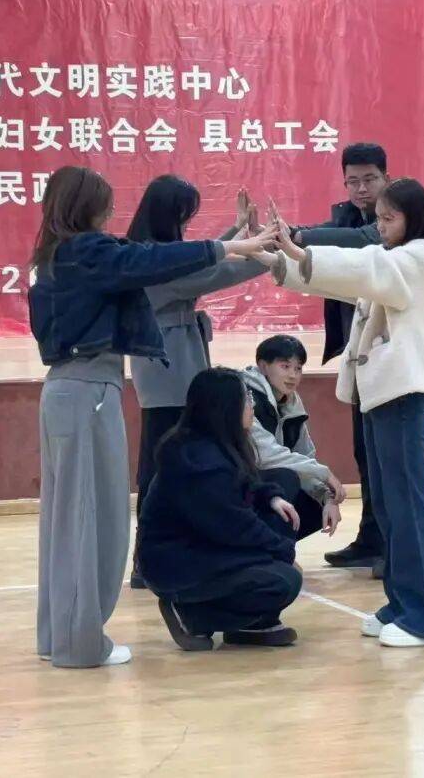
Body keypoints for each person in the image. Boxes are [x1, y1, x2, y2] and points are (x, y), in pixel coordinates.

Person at [27, 166, 277, 668]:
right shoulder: (88, 252)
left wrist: (232, 239)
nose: (110, 212)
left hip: (69, 391)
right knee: (92, 519)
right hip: (88, 393)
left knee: (67, 519)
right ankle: (80, 646)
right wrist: (234, 246)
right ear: (86, 207)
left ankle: (61, 635)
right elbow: (155, 259)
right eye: (104, 203)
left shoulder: (60, 256)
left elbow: (153, 258)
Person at [258, 177, 424, 647]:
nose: (381, 226)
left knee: (408, 506)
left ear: (415, 218)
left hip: (403, 397)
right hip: (382, 394)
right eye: (379, 219)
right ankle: (403, 604)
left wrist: (298, 248)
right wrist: (276, 259)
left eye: (390, 218)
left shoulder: (420, 256)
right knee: (389, 506)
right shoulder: (398, 260)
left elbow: (365, 265)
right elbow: (354, 282)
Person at [126, 175, 268, 589]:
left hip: (171, 368)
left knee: (162, 465)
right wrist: (269, 253)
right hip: (168, 375)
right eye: (184, 215)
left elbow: (198, 261)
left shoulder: (149, 253)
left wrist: (238, 232)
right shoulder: (155, 261)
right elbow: (213, 273)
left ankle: (155, 556)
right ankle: (147, 560)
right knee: (159, 469)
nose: (187, 223)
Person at [138, 368, 305, 651]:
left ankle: (251, 623)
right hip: (176, 563)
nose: (252, 405)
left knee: (283, 485)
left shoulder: (215, 442)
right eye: (246, 398)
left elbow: (247, 484)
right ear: (225, 407)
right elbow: (235, 526)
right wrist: (283, 552)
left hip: (202, 545)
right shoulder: (199, 462)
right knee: (283, 581)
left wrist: (271, 497)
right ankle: (191, 613)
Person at [293, 142, 390, 574]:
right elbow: (330, 235)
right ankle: (372, 539)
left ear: (386, 178)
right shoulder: (346, 216)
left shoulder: (394, 220)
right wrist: (287, 237)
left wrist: (298, 238)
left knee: (385, 459)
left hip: (390, 357)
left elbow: (364, 243)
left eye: (369, 179)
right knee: (365, 452)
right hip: (360, 355)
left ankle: (392, 547)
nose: (361, 189)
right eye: (353, 181)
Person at [241, 334, 344, 542]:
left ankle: (277, 549)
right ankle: (265, 549)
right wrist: (324, 473)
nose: (293, 375)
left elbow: (305, 457)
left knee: (315, 503)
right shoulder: (245, 398)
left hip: (264, 486)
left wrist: (327, 497)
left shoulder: (291, 404)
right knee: (284, 477)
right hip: (237, 486)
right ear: (263, 366)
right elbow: (266, 456)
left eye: (298, 368)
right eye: (285, 366)